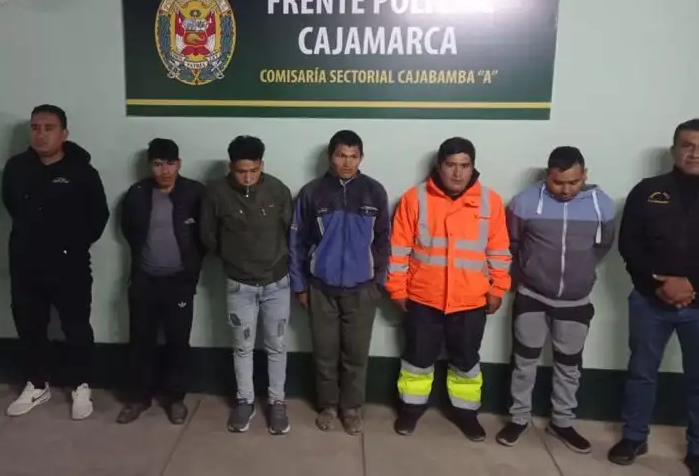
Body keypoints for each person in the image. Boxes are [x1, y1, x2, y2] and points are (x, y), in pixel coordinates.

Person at [608, 119, 699, 476]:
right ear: (674, 150)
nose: (695, 152)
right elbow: (629, 245)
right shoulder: (648, 190)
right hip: (649, 300)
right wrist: (661, 284)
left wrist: (692, 287)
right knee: (641, 373)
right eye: (687, 144)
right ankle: (634, 435)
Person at [386, 137, 511, 440]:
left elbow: (499, 250)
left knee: (466, 362)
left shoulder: (490, 201)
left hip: (470, 300)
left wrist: (498, 289)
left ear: (473, 167)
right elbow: (398, 249)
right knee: (417, 360)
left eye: (464, 165)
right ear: (438, 166)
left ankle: (466, 414)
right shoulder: (414, 199)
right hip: (423, 298)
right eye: (451, 165)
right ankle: (410, 411)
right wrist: (397, 289)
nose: (458, 173)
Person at [496, 147, 617, 452]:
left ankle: (562, 422)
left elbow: (602, 247)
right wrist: (530, 272)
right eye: (557, 182)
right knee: (524, 361)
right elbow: (512, 242)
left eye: (573, 182)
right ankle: (519, 418)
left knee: (569, 364)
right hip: (532, 295)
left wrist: (579, 272)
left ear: (584, 175)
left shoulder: (601, 205)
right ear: (546, 176)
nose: (565, 190)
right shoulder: (525, 203)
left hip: (576, 300)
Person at [1, 105, 109, 420]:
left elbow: (98, 217)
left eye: (49, 128)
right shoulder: (16, 168)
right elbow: (10, 204)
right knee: (30, 326)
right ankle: (37, 384)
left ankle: (81, 385)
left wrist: (70, 246)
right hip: (24, 263)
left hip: (69, 265)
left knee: (76, 327)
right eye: (35, 127)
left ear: (64, 133)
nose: (41, 134)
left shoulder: (83, 172)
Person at [288, 130, 390, 435]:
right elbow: (296, 242)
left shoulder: (374, 192)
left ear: (361, 157)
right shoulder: (311, 193)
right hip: (320, 288)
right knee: (325, 352)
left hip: (362, 289)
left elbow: (385, 240)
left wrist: (378, 283)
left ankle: (351, 407)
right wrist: (300, 285)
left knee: (356, 355)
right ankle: (329, 405)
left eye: (353, 155)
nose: (347, 162)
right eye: (340, 155)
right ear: (330, 156)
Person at [200, 135, 294, 435]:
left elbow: (288, 230)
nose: (248, 177)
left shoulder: (277, 190)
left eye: (254, 170)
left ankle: (278, 403)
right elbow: (208, 236)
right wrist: (233, 259)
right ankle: (245, 401)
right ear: (231, 167)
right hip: (239, 284)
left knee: (276, 345)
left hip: (276, 282)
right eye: (241, 171)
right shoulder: (216, 193)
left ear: (262, 165)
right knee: (242, 347)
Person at [116, 138, 206, 425]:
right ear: (149, 166)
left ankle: (175, 399)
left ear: (179, 164)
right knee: (141, 340)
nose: (164, 170)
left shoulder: (194, 193)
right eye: (157, 164)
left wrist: (191, 268)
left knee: (178, 341)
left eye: (170, 163)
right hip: (144, 279)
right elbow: (130, 231)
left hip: (180, 280)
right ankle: (137, 397)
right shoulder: (138, 194)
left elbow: (205, 235)